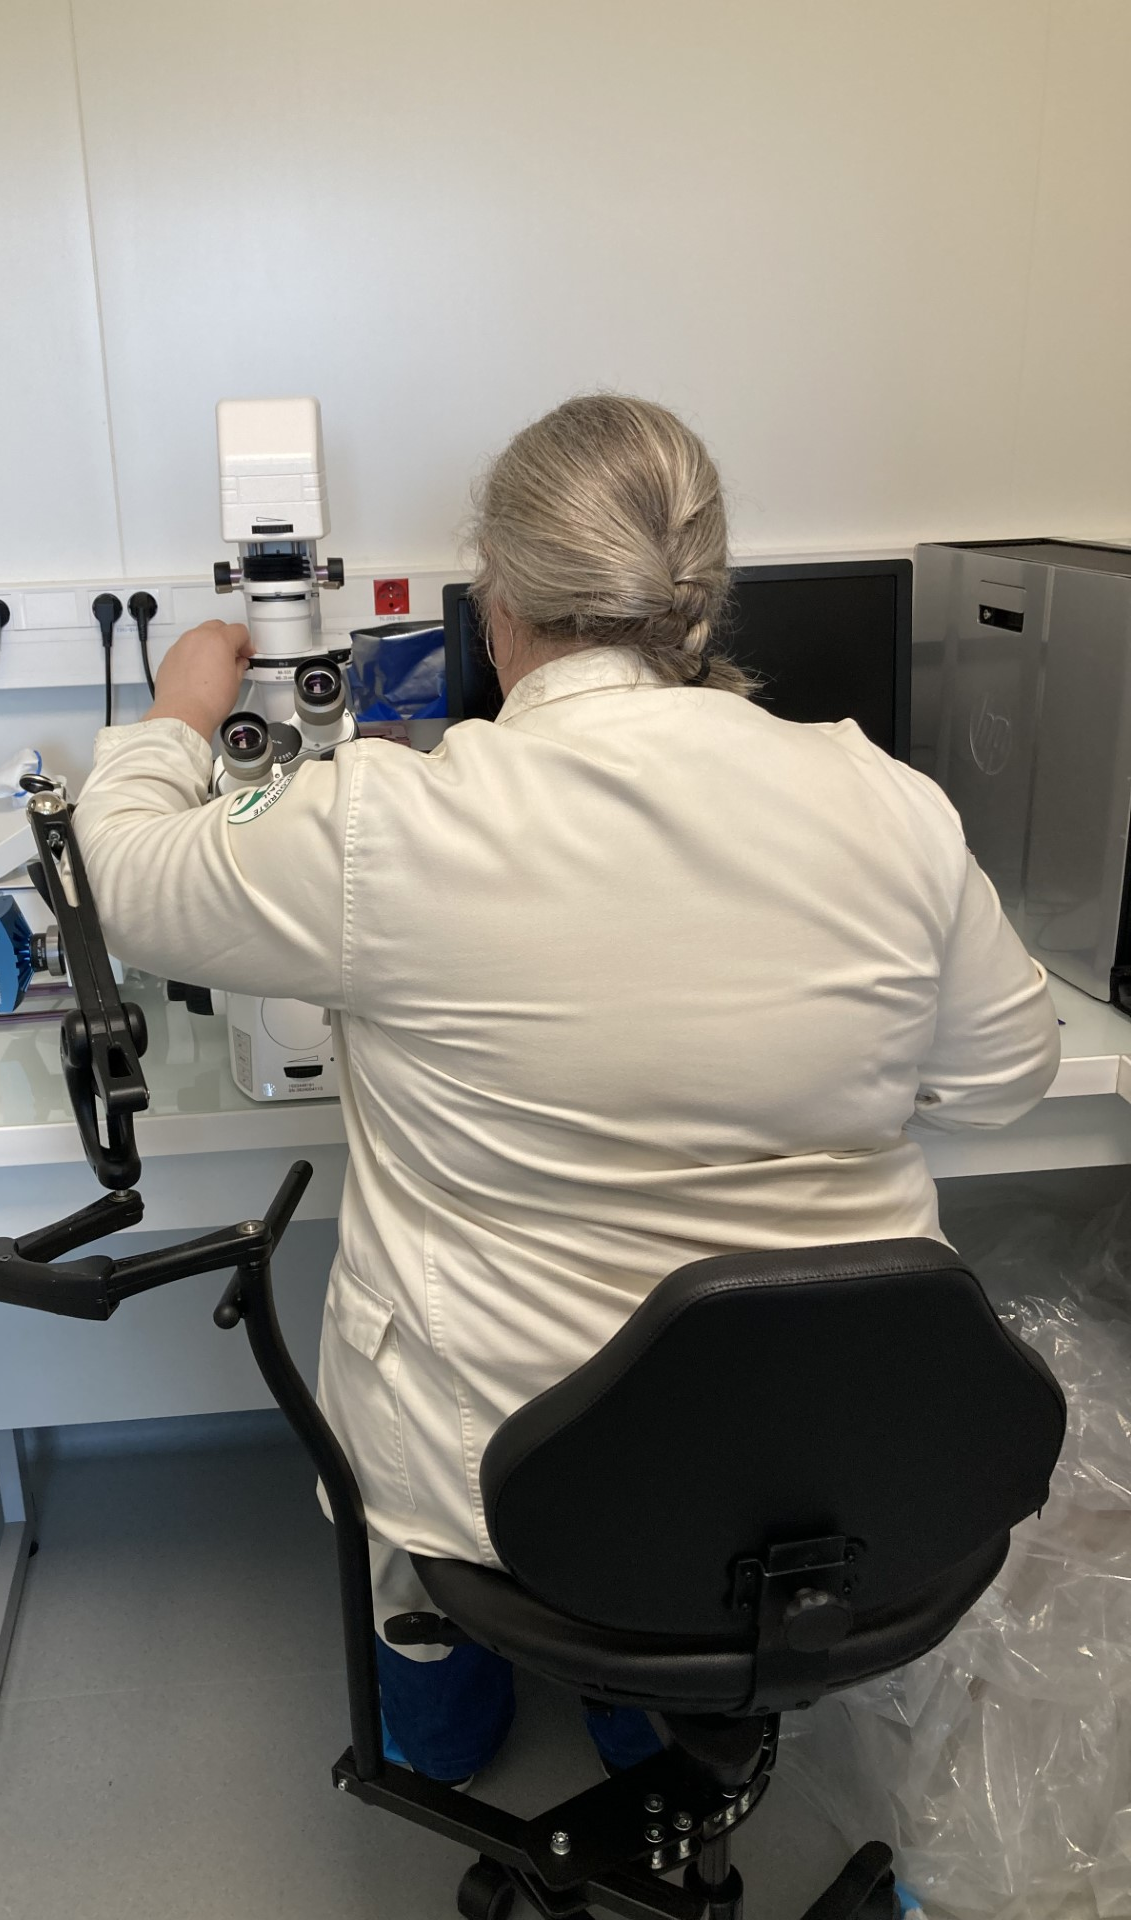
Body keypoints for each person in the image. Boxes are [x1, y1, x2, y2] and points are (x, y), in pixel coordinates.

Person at [74, 394, 1060, 1784]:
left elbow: (125, 878)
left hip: (498, 1476)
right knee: (665, 1604)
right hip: (821, 1471)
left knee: (438, 1584)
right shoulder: (884, 799)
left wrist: (180, 710)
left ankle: (444, 1720)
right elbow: (1009, 1076)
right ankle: (647, 1720)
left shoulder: (393, 821)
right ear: (698, 596)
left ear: (500, 601)